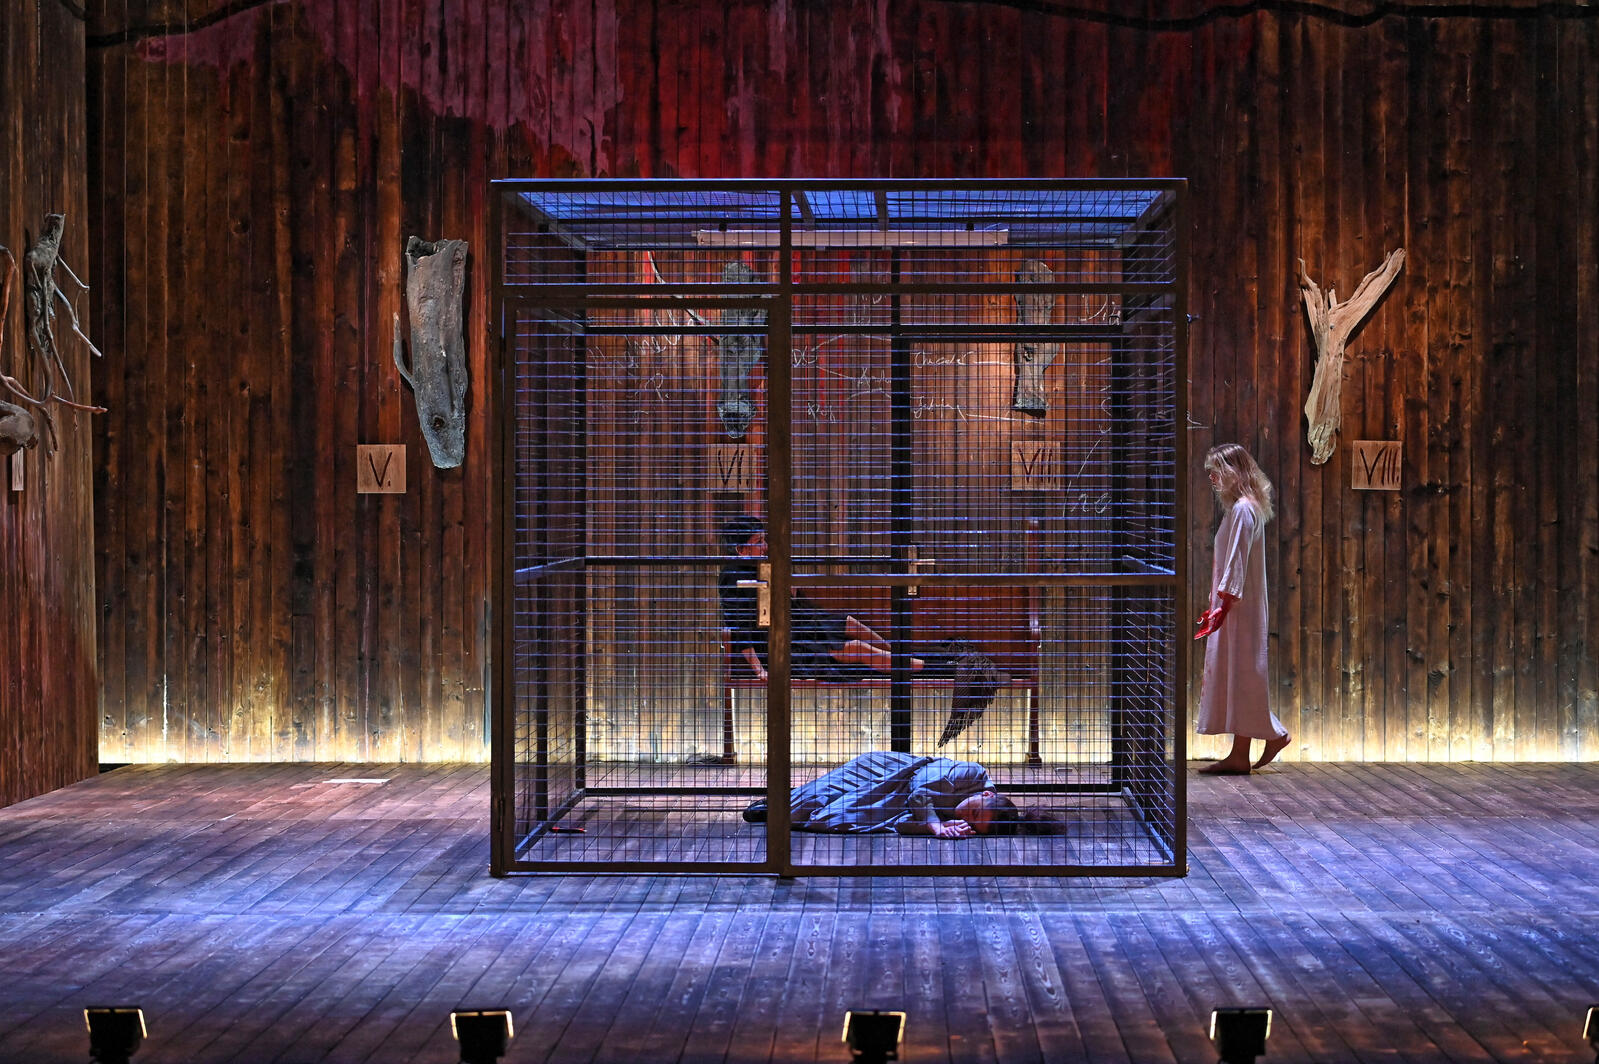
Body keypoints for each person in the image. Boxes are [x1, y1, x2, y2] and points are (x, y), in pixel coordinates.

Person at [719, 516, 918, 682]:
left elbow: (790, 598)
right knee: (857, 647)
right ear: (740, 550)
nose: (765, 546)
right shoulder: (732, 577)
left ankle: (904, 659)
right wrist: (759, 670)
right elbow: (740, 627)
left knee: (850, 623)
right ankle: (923, 667)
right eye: (758, 542)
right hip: (781, 644)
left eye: (764, 540)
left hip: (799, 626)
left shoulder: (760, 565)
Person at [1194, 443, 1291, 774]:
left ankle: (1272, 734)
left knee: (1245, 674)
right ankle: (1240, 753)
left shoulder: (1244, 510)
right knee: (1240, 674)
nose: (1212, 478)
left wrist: (1224, 605)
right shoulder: (1244, 507)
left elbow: (1237, 560)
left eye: (1216, 471)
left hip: (1239, 607)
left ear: (1234, 472)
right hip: (1237, 605)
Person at [741, 750, 1019, 837]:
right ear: (986, 796)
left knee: (832, 819)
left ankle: (792, 802)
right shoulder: (973, 774)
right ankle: (784, 799)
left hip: (893, 805)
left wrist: (930, 826)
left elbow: (904, 823)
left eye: (972, 823)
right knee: (809, 801)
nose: (965, 817)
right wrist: (935, 824)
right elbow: (920, 787)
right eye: (974, 812)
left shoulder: (961, 821)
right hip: (885, 773)